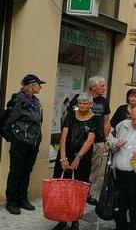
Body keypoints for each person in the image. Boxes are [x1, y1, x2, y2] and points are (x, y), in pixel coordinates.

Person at [52, 93, 97, 230]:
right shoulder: (71, 115)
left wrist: (78, 158)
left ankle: (75, 220)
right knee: (63, 187)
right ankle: (62, 219)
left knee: (79, 189)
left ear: (90, 105)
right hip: (66, 154)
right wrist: (63, 157)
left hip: (82, 157)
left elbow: (90, 140)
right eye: (80, 103)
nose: (82, 106)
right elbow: (64, 136)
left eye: (85, 103)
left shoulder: (95, 119)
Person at [4, 74, 45, 215]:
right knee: (16, 172)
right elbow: (7, 122)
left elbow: (38, 122)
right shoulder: (18, 100)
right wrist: (16, 138)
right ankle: (12, 202)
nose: (40, 87)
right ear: (31, 85)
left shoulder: (35, 101)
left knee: (26, 171)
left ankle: (22, 199)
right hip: (20, 143)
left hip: (33, 143)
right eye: (38, 84)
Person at [67, 76, 111, 205]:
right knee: (78, 168)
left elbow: (106, 121)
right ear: (93, 87)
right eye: (102, 86)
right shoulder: (79, 98)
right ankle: (74, 193)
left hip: (97, 141)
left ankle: (86, 193)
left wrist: (106, 139)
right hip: (79, 141)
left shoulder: (104, 101)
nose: (104, 88)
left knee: (94, 169)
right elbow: (71, 115)